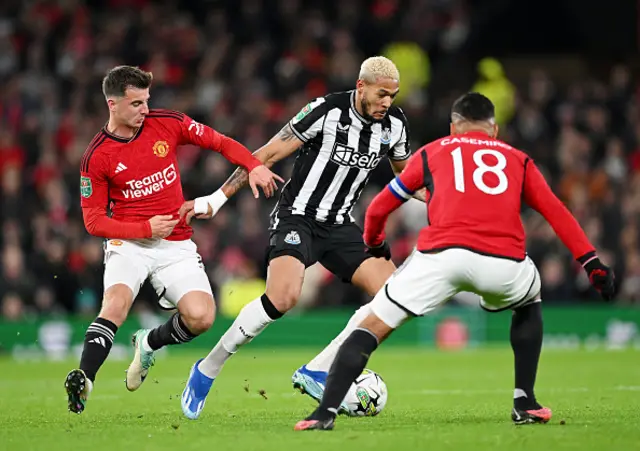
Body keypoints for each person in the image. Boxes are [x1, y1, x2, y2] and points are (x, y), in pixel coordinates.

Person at [293, 92, 615, 431]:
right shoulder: (518, 159)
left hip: (440, 258)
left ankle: (324, 413)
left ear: (453, 127)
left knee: (371, 327)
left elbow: (378, 208)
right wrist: (591, 262)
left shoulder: (435, 150)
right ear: (494, 130)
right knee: (529, 299)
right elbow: (556, 212)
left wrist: (374, 244)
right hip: (503, 262)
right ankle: (525, 401)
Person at [178, 56, 424, 420]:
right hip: (298, 218)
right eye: (382, 94)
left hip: (341, 225)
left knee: (395, 297)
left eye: (393, 95)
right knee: (283, 297)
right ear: (361, 86)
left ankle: (318, 369)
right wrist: (216, 200)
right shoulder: (325, 111)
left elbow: (406, 178)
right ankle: (208, 369)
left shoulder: (395, 126)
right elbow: (266, 154)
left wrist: (445, 200)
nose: (388, 102)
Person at [64, 65, 282, 414]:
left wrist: (253, 165)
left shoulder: (166, 122)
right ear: (112, 104)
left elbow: (219, 141)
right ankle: (84, 379)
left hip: (176, 244)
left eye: (147, 101)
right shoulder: (97, 156)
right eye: (136, 104)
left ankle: (148, 342)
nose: (145, 110)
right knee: (115, 305)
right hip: (130, 243)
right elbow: (93, 222)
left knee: (201, 318)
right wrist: (145, 229)